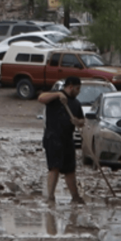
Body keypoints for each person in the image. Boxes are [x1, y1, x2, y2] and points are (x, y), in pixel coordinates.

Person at [38, 76, 85, 204]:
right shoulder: (55, 97)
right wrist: (58, 94)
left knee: (70, 169)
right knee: (54, 168)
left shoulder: (76, 103)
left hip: (67, 139)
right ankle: (50, 197)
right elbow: (41, 98)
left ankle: (75, 197)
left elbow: (82, 121)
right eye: (77, 89)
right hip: (53, 138)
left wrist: (78, 122)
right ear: (70, 87)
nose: (78, 91)